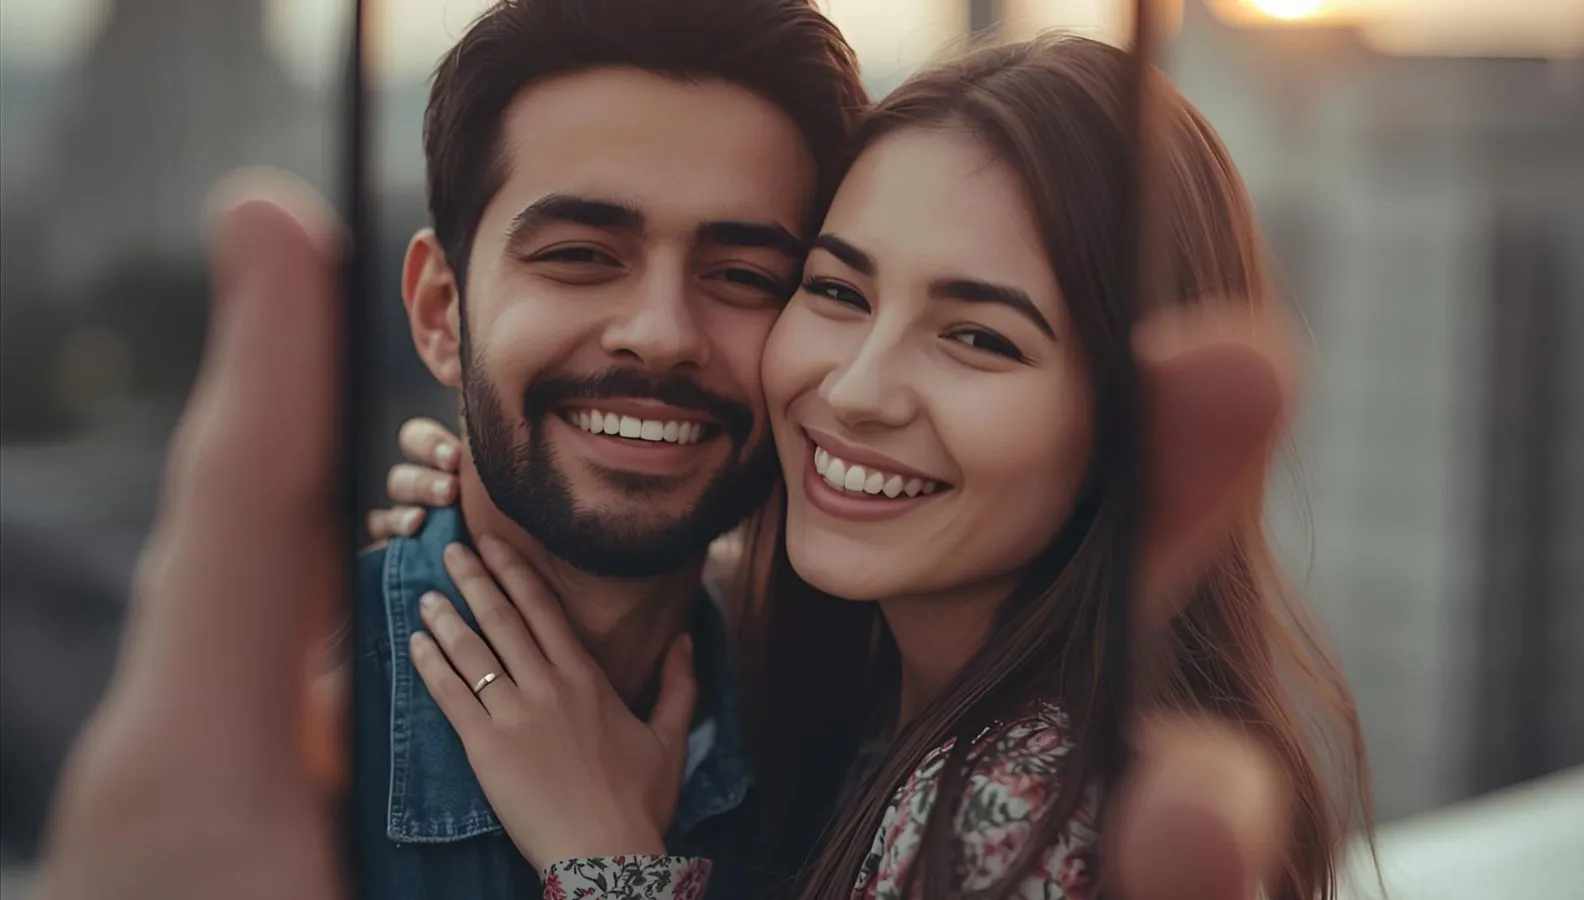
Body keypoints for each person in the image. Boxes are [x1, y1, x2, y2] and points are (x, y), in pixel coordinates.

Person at [373, 33, 1369, 900]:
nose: (854, 390)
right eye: (837, 291)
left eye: (978, 338)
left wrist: (607, 861)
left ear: (1128, 419)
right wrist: (511, 480)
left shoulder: (1029, 819)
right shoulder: (844, 690)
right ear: (439, 310)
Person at [344, 1, 866, 899]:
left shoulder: (861, 765)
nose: (661, 335)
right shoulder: (282, 741)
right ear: (441, 311)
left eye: (743, 277)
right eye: (581, 255)